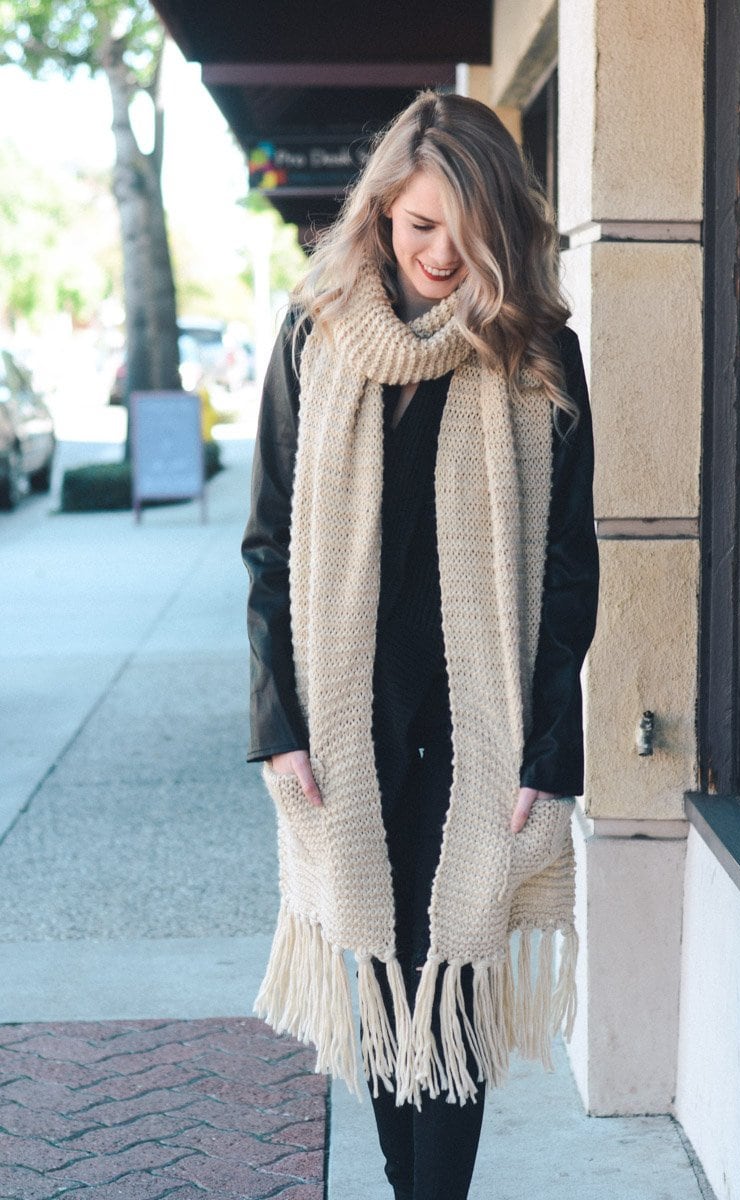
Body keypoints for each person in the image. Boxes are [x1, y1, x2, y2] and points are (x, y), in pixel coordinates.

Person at [242, 89, 599, 1200]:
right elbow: (267, 550)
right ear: (382, 216)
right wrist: (278, 729)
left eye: (468, 231)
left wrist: (547, 748)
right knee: (387, 991)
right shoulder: (314, 340)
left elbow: (570, 568)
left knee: (452, 992)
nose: (444, 255)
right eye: (419, 227)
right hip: (347, 731)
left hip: (476, 734)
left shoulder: (536, 353)